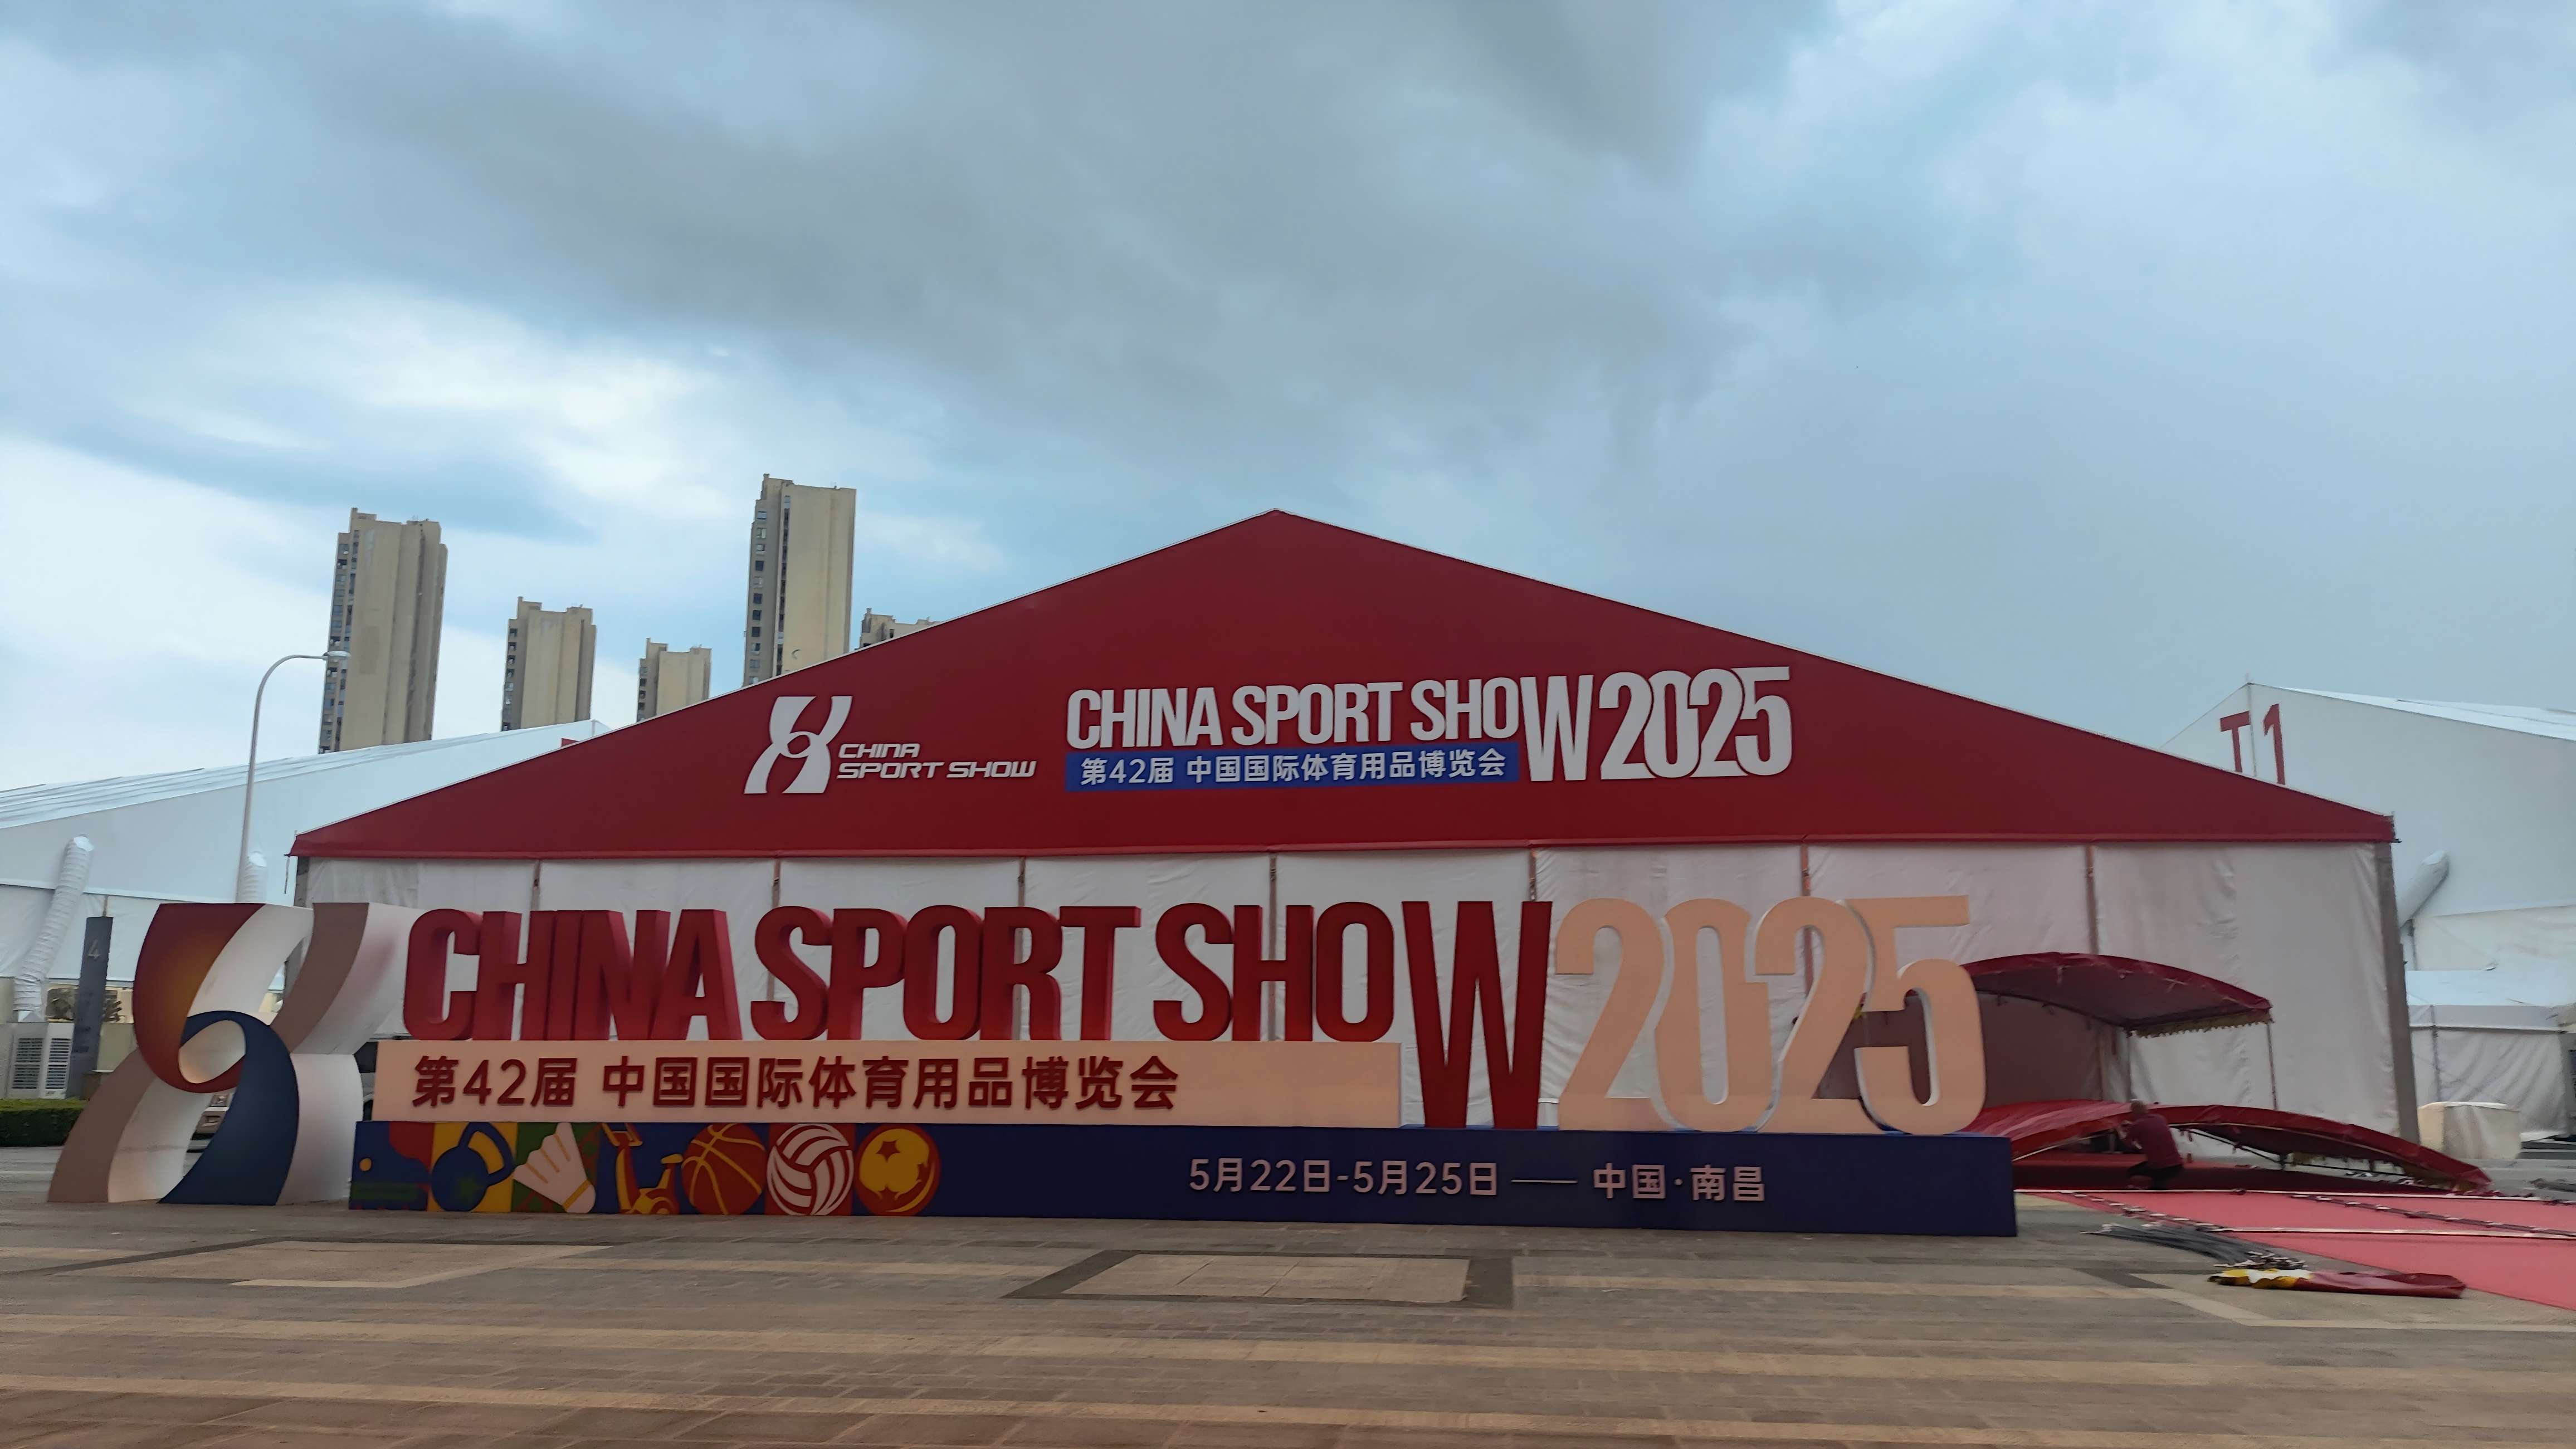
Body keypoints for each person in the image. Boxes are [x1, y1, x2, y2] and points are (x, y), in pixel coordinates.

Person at [2121, 1100, 2185, 1189]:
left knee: (2132, 1172)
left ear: (2134, 1112)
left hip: (2159, 1166)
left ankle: (2136, 1189)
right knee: (2158, 1179)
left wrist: (2122, 1131)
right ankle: (2155, 1187)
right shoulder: (2160, 1118)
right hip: (2177, 1164)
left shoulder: (2136, 1125)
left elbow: (2128, 1143)